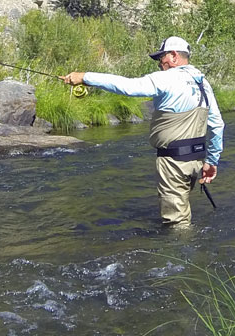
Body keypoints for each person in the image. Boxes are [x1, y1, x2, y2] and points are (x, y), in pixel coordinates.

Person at [60, 36, 224, 227]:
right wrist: (212, 161)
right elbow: (217, 125)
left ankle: (179, 254)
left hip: (173, 162)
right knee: (183, 212)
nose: (159, 64)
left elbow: (128, 87)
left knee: (177, 224)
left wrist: (85, 77)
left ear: (173, 56)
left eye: (160, 59)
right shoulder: (203, 83)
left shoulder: (166, 78)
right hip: (196, 160)